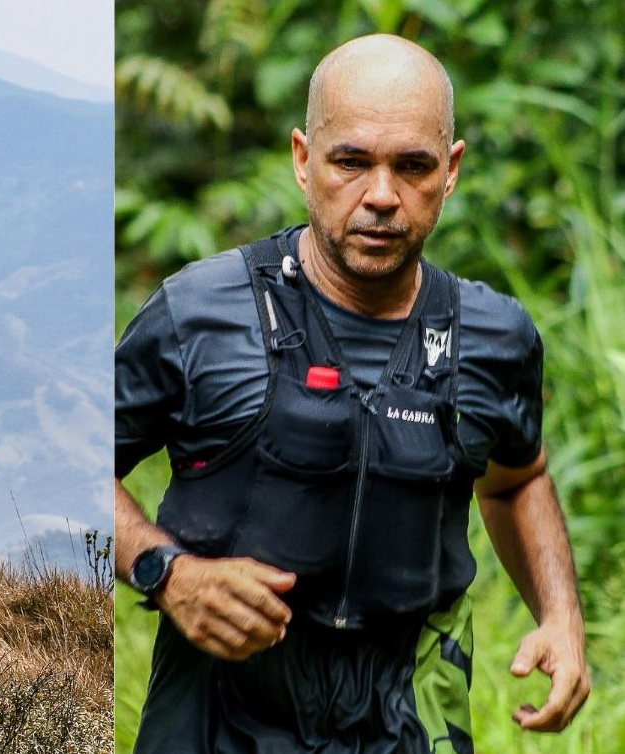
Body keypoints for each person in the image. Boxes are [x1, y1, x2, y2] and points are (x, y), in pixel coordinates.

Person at [115, 34, 590, 754]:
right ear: (304, 160)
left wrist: (561, 619)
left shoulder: (495, 336)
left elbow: (518, 480)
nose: (381, 195)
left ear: (451, 170)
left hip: (410, 718)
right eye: (351, 161)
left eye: (412, 166)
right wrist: (166, 571)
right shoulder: (201, 312)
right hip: (220, 716)